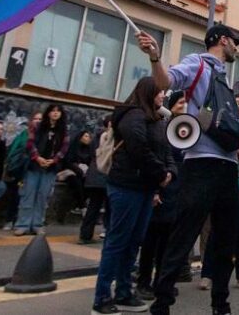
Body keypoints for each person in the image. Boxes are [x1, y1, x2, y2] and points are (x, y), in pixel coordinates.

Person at [137, 22, 239, 315]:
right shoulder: (196, 63)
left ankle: (221, 304)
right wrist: (155, 58)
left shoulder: (224, 76)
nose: (236, 47)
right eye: (235, 41)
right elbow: (164, 82)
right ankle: (162, 304)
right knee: (183, 235)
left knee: (225, 240)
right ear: (223, 40)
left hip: (228, 166)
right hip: (200, 165)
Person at [92, 77, 174, 314]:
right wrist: (160, 173)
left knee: (132, 243)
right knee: (117, 242)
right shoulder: (133, 116)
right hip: (126, 187)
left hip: (145, 188)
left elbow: (163, 149)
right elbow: (139, 148)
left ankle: (124, 292)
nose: (163, 97)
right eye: (160, 93)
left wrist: (167, 173)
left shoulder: (155, 118)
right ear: (149, 93)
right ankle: (101, 298)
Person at [203, 93, 239, 291]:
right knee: (216, 231)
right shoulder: (222, 121)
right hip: (222, 182)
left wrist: (237, 150)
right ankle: (207, 274)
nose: (236, 107)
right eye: (233, 104)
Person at [137, 92, 187, 300]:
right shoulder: (162, 126)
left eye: (186, 103)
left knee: (168, 240)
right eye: (180, 102)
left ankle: (162, 281)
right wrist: (157, 189)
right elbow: (161, 156)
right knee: (151, 239)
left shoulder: (188, 127)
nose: (183, 106)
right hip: (163, 185)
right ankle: (143, 281)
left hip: (179, 189)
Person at [14, 103, 68, 236]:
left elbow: (64, 148)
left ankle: (37, 224)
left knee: (43, 196)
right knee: (28, 194)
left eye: (58, 111)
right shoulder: (37, 127)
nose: (55, 113)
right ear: (48, 113)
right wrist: (37, 157)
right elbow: (30, 143)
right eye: (53, 111)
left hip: (51, 167)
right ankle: (23, 224)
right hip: (34, 166)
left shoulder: (63, 131)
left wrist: (54, 160)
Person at [3, 111, 42, 231]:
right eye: (36, 118)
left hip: (36, 169)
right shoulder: (25, 134)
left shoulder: (45, 135)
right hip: (21, 169)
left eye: (40, 119)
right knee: (15, 195)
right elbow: (14, 150)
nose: (38, 121)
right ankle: (10, 219)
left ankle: (29, 222)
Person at [79, 116, 112, 244]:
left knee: (93, 207)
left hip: (94, 177)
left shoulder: (95, 137)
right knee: (108, 207)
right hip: (105, 176)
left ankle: (85, 234)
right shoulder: (108, 138)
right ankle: (107, 232)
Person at [61, 130, 94, 214]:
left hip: (85, 172)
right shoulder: (73, 147)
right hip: (72, 171)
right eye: (86, 136)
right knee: (76, 181)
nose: (88, 139)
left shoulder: (90, 149)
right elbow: (68, 161)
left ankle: (79, 205)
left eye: (89, 137)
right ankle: (82, 206)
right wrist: (78, 169)